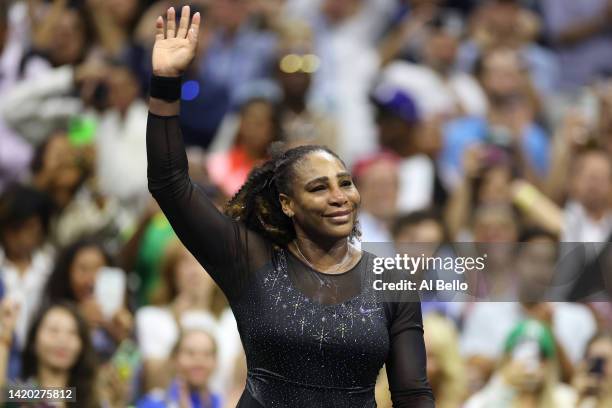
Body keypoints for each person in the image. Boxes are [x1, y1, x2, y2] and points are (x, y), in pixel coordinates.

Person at [146, 6, 433, 407]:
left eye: (345, 183)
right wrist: (165, 82)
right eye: (319, 188)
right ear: (288, 204)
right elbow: (170, 184)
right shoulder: (250, 259)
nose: (339, 196)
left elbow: (413, 394)